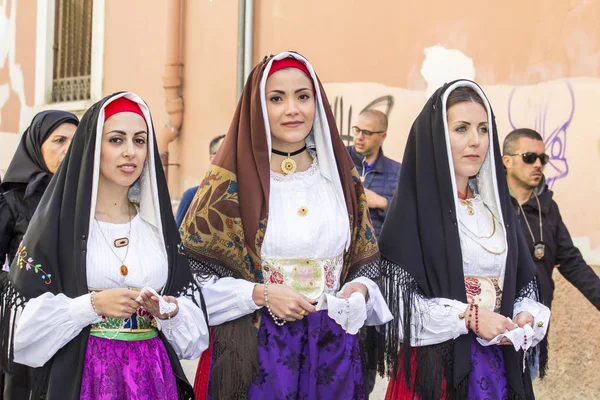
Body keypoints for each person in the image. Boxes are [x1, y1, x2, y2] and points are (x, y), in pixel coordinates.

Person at [180, 52, 392, 399]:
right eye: (276, 98)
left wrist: (360, 290)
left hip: (333, 347)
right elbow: (193, 279)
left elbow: (362, 258)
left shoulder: (340, 178)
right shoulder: (227, 184)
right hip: (259, 349)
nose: (292, 109)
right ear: (257, 107)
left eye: (303, 96)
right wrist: (260, 294)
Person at [0, 93, 209, 400]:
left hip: (152, 377)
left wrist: (170, 311)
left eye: (140, 141)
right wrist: (92, 306)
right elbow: (24, 335)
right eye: (116, 140)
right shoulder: (56, 231)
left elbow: (193, 339)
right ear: (92, 148)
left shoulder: (156, 232)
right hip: (84, 378)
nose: (130, 152)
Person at [379, 81, 550, 399]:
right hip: (435, 370)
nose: (476, 141)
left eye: (484, 129)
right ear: (435, 138)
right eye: (461, 128)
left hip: (497, 366)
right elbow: (398, 308)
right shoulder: (414, 214)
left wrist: (525, 314)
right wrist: (469, 318)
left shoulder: (496, 211)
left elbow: (522, 284)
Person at [502, 127, 600, 377]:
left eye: (542, 159)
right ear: (507, 161)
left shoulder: (548, 208)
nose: (537, 165)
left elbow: (571, 262)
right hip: (493, 329)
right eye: (529, 157)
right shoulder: (488, 202)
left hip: (531, 330)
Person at [0, 110, 78, 400]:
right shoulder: (12, 201)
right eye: (59, 140)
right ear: (36, 146)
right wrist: (18, 290)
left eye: (76, 139)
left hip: (82, 324)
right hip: (30, 326)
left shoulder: (92, 200)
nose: (69, 148)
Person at [347, 109, 401, 237]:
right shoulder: (338, 160)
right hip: (340, 248)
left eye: (367, 133)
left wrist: (383, 203)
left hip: (377, 250)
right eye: (357, 130)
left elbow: (407, 216)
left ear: (382, 137)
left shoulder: (397, 172)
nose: (360, 137)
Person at [175, 134, 225, 227]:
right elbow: (176, 236)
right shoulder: (192, 196)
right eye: (225, 152)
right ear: (213, 159)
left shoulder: (247, 198)